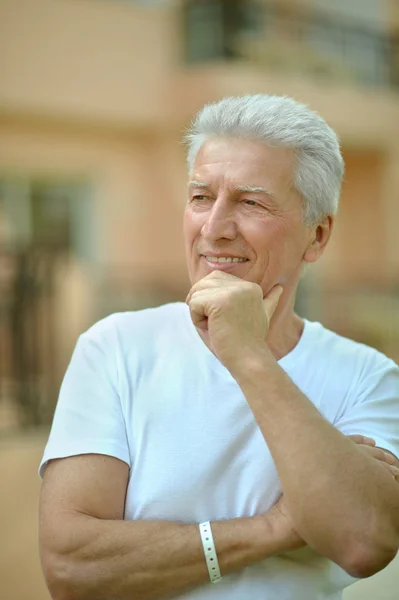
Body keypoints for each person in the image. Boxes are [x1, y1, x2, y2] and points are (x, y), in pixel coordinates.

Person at [38, 94, 399, 600]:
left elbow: (363, 541)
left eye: (250, 202)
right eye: (201, 197)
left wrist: (249, 355)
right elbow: (72, 568)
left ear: (316, 237)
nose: (213, 228)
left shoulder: (369, 376)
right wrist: (278, 527)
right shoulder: (115, 347)